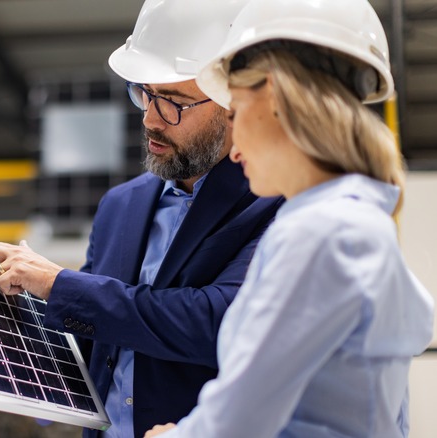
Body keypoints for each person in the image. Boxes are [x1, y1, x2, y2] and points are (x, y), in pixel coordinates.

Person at [0, 1, 284, 436]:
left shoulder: (272, 200)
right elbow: (92, 344)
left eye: (173, 102)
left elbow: (218, 322)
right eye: (144, 94)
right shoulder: (122, 206)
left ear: (234, 104)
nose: (151, 119)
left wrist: (59, 283)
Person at [144, 0, 435, 436]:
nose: (235, 148)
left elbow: (243, 415)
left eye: (237, 113)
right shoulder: (354, 224)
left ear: (277, 100)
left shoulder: (323, 233)